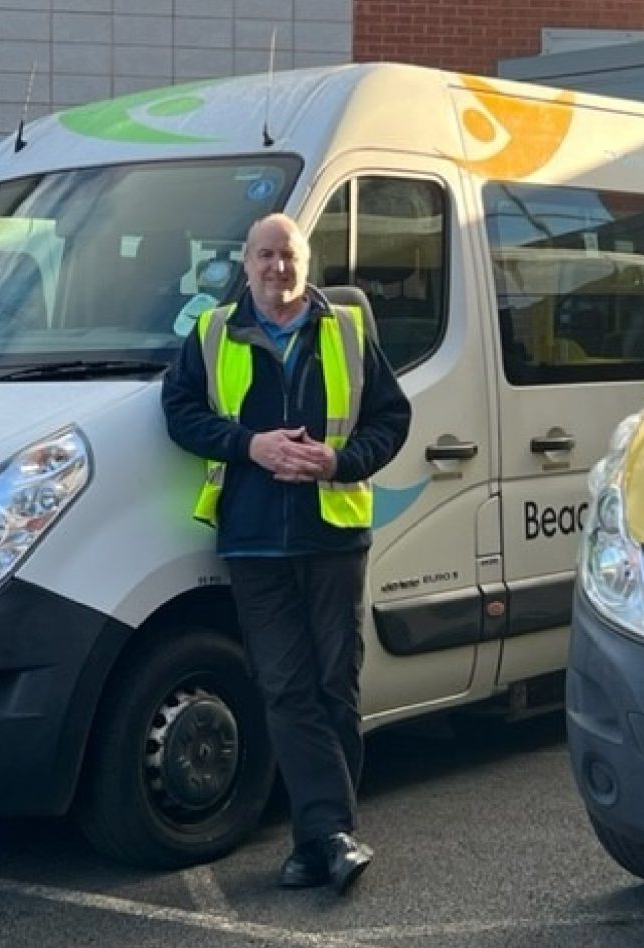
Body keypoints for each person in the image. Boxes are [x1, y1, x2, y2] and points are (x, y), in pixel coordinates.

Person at [161, 213, 411, 894]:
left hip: (333, 533)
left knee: (336, 686)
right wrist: (250, 445)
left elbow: (393, 417)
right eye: (265, 255)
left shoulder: (348, 328)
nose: (277, 267)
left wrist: (338, 460)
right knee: (285, 685)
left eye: (288, 255)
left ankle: (317, 839)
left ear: (307, 261)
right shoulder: (213, 332)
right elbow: (179, 412)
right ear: (245, 264)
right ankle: (331, 833)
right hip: (253, 538)